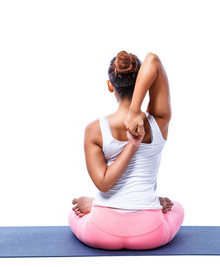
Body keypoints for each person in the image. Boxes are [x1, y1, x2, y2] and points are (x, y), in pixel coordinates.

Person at [69, 51, 184, 250]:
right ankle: (151, 202)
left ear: (110, 85)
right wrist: (133, 138)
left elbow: (104, 184)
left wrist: (95, 203)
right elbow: (153, 60)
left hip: (102, 231)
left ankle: (96, 205)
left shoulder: (94, 130)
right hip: (149, 233)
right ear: (142, 83)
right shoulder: (159, 121)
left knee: (74, 213)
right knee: (177, 208)